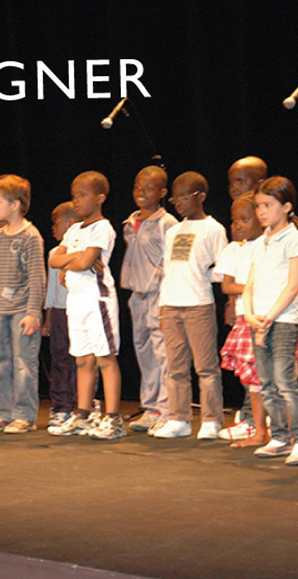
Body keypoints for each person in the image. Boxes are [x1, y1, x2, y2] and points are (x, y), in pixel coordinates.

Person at [242, 177, 298, 465]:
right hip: (260, 319)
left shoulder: (295, 239)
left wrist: (270, 317)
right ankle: (279, 437)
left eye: (268, 205)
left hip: (283, 320)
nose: (262, 211)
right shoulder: (260, 242)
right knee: (267, 383)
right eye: (258, 206)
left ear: (286, 207)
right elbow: (250, 284)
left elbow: (293, 285)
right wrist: (249, 314)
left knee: (285, 381)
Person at [47, 171, 124, 441]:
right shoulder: (73, 230)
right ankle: (82, 414)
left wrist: (74, 259)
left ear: (100, 198)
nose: (77, 200)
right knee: (82, 359)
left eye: (83, 195)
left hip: (96, 300)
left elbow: (82, 263)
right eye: (74, 195)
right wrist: (78, 256)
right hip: (76, 301)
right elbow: (55, 260)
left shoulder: (102, 227)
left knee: (105, 358)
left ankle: (113, 418)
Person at [154, 171, 228, 439]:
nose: (179, 203)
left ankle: (211, 420)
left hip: (199, 305)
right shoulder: (173, 231)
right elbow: (168, 269)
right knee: (175, 368)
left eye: (185, 197)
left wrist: (205, 274)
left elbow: (224, 267)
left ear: (201, 197)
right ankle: (178, 418)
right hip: (173, 305)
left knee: (206, 367)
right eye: (176, 199)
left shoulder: (213, 229)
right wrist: (163, 308)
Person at [0, 174, 45, 433]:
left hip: (21, 311)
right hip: (0, 310)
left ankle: (25, 415)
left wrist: (33, 312)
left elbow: (37, 277)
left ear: (15, 204)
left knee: (23, 363)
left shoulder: (31, 236)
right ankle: (5, 413)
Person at [121, 166, 178, 432]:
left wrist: (166, 301)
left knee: (162, 353)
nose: (142, 192)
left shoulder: (167, 223)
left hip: (159, 294)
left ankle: (167, 410)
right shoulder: (129, 223)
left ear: (162, 192)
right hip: (137, 295)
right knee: (144, 353)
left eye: (150, 188)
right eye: (138, 187)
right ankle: (151, 407)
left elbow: (173, 264)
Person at [215, 192, 270, 447]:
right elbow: (227, 285)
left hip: (266, 316)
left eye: (244, 220)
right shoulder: (233, 249)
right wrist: (254, 287)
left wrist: (253, 288)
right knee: (248, 374)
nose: (237, 225)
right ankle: (254, 422)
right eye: (234, 220)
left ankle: (268, 422)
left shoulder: (268, 245)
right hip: (243, 316)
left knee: (268, 374)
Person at [42, 201, 81, 428]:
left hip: (80, 309)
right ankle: (61, 406)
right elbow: (52, 289)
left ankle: (81, 404)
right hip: (59, 312)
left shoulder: (85, 250)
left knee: (81, 360)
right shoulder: (53, 253)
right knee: (59, 359)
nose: (53, 228)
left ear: (71, 223)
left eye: (57, 223)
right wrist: (48, 318)